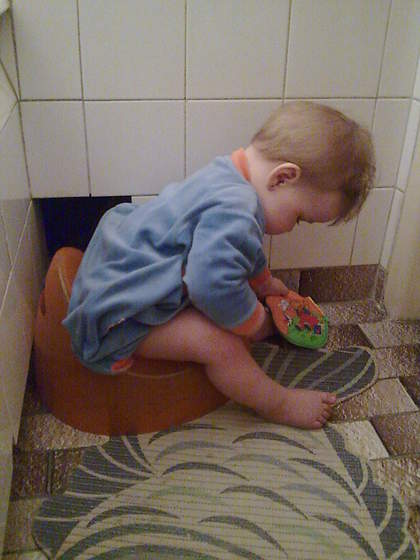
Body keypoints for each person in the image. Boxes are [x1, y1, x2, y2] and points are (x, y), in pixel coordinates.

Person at [63, 101, 375, 430]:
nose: (291, 228)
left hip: (119, 266)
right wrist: (256, 323)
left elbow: (238, 249)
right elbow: (209, 285)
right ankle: (280, 405)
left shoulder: (228, 173)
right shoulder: (238, 209)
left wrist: (264, 283)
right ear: (282, 178)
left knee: (227, 302)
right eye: (299, 218)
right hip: (117, 314)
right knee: (222, 344)